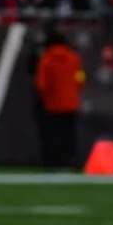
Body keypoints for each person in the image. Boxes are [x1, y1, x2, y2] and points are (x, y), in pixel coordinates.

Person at [34, 28, 85, 169]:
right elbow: (80, 79)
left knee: (53, 135)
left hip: (52, 105)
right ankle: (70, 161)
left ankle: (54, 163)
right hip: (71, 104)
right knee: (69, 135)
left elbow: (41, 85)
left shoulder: (46, 60)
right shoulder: (74, 58)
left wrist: (46, 100)